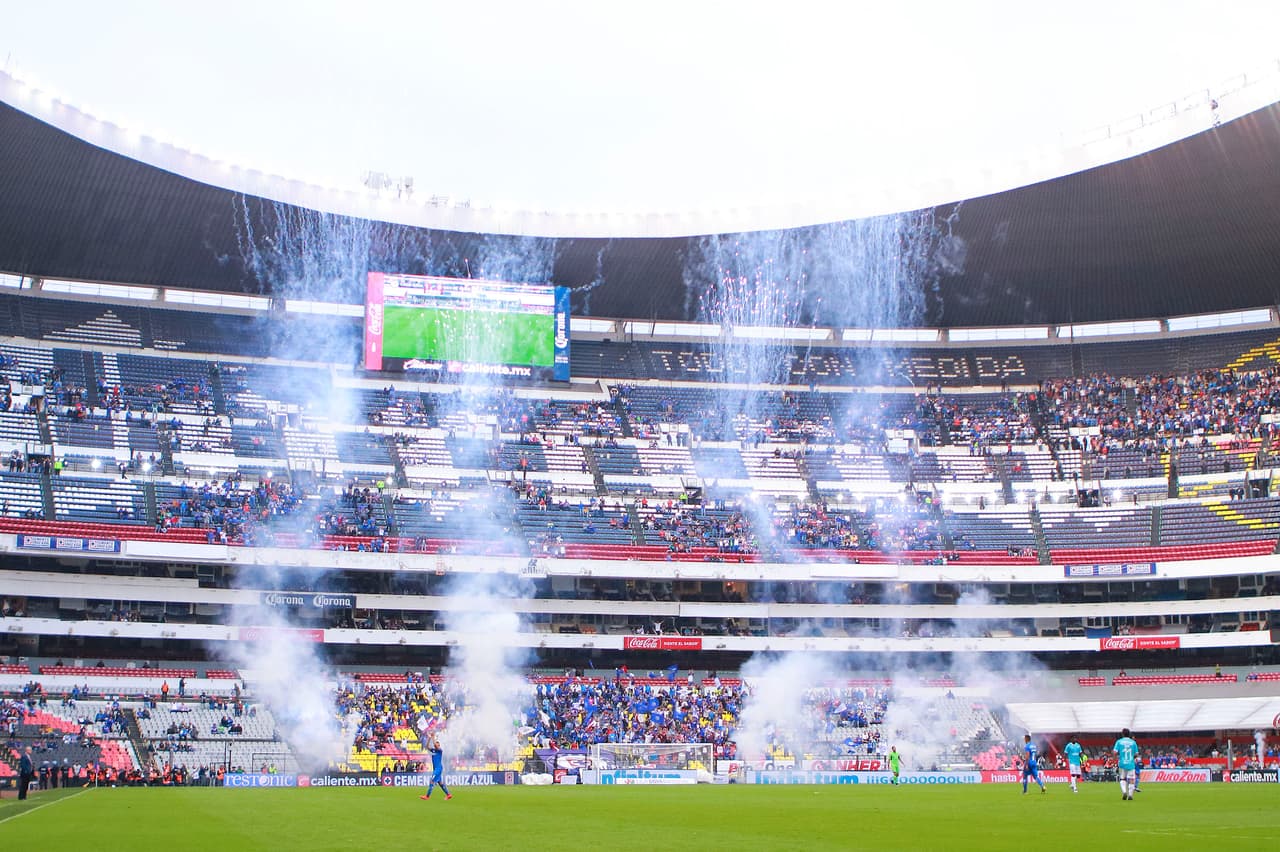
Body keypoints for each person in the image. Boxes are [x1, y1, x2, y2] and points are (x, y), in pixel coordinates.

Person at [419, 733, 452, 801]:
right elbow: (427, 747)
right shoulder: (433, 750)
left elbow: (435, 745)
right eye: (436, 744)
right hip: (436, 768)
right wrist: (429, 738)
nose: (436, 745)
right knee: (440, 783)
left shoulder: (440, 750)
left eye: (438, 744)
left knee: (432, 781)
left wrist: (433, 737)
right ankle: (448, 794)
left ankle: (427, 796)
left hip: (438, 768)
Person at [1114, 728, 1139, 801]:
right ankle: (1130, 795)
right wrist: (1132, 757)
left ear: (1122, 734)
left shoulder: (1119, 742)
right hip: (1131, 763)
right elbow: (1137, 754)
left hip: (1122, 763)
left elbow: (1115, 752)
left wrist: (1116, 760)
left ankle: (1124, 792)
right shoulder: (1133, 742)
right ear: (1129, 734)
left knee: (1122, 778)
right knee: (1131, 779)